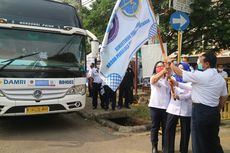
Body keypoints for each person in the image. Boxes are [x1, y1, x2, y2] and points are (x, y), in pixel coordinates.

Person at [168, 52, 228, 153]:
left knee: (199, 143)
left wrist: (170, 63)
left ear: (207, 64)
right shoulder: (220, 79)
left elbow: (180, 73)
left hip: (200, 112)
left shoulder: (200, 75)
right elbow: (224, 96)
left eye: (200, 59)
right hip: (214, 112)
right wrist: (217, 108)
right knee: (213, 141)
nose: (198, 62)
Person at [164, 63, 192, 153]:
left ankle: (183, 150)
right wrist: (167, 76)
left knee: (186, 131)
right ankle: (168, 150)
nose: (179, 70)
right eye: (178, 68)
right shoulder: (173, 78)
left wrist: (179, 96)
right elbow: (167, 86)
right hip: (173, 108)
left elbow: (190, 94)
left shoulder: (191, 81)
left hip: (186, 110)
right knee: (169, 129)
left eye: (182, 69)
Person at [149, 61, 171, 153]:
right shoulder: (153, 77)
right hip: (155, 106)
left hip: (166, 107)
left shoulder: (169, 79)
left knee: (166, 128)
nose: (160, 68)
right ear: (155, 69)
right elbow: (153, 81)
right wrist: (163, 71)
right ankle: (154, 147)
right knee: (155, 127)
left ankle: (164, 147)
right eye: (158, 67)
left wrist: (167, 73)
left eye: (162, 66)